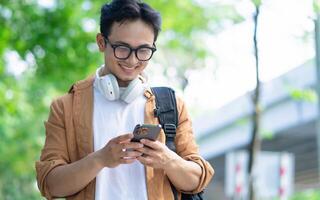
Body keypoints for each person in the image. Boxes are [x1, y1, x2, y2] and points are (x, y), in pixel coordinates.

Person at [35, 0, 214, 199]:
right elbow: (50, 185)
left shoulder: (171, 105)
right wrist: (100, 159)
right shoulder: (65, 108)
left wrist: (167, 160)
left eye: (144, 50)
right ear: (102, 42)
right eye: (122, 48)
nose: (132, 60)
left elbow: (198, 181)